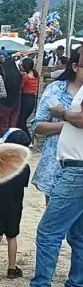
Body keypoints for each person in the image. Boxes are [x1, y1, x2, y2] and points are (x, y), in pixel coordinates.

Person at [3, 48, 83, 287]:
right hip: (66, 166)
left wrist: (63, 113)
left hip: (76, 171)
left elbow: (80, 119)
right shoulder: (62, 87)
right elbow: (39, 124)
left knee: (49, 232)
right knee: (78, 233)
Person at [31, 48, 83, 202]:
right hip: (56, 163)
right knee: (55, 215)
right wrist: (68, 125)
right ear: (74, 67)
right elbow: (38, 125)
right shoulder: (55, 90)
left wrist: (65, 116)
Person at [0, 128, 31, 279]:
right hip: (15, 206)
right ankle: (12, 268)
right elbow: (24, 184)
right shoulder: (25, 167)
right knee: (12, 237)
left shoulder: (0, 164)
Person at [0, 57, 21, 136]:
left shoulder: (4, 75)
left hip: (6, 103)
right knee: (13, 123)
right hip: (16, 102)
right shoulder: (19, 75)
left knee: (3, 123)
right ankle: (13, 139)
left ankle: (5, 140)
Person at [16, 57, 39, 140]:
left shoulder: (25, 77)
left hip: (25, 98)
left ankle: (27, 139)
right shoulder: (36, 75)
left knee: (20, 121)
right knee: (23, 120)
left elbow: (21, 87)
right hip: (32, 99)